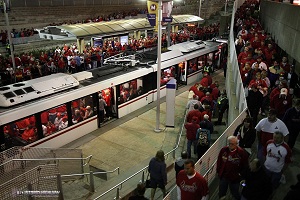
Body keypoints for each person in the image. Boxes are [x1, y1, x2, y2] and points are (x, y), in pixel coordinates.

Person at [216, 136, 249, 200]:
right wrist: (218, 171)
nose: (230, 145)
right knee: (221, 192)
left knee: (235, 193)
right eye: (229, 143)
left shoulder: (241, 152)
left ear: (236, 144)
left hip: (235, 178)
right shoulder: (223, 150)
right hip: (224, 176)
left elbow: (245, 165)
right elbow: (219, 161)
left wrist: (240, 175)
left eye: (232, 144)